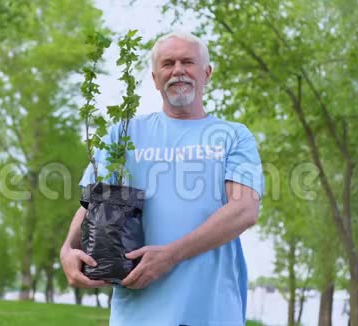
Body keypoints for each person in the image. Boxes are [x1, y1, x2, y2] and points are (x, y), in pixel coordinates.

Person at [60, 31, 264, 326]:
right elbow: (93, 203)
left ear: (206, 73)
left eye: (188, 62)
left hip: (210, 310)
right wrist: (68, 248)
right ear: (155, 78)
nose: (178, 70)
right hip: (138, 310)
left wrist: (171, 255)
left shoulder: (233, 136)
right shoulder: (124, 134)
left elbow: (244, 210)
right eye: (168, 64)